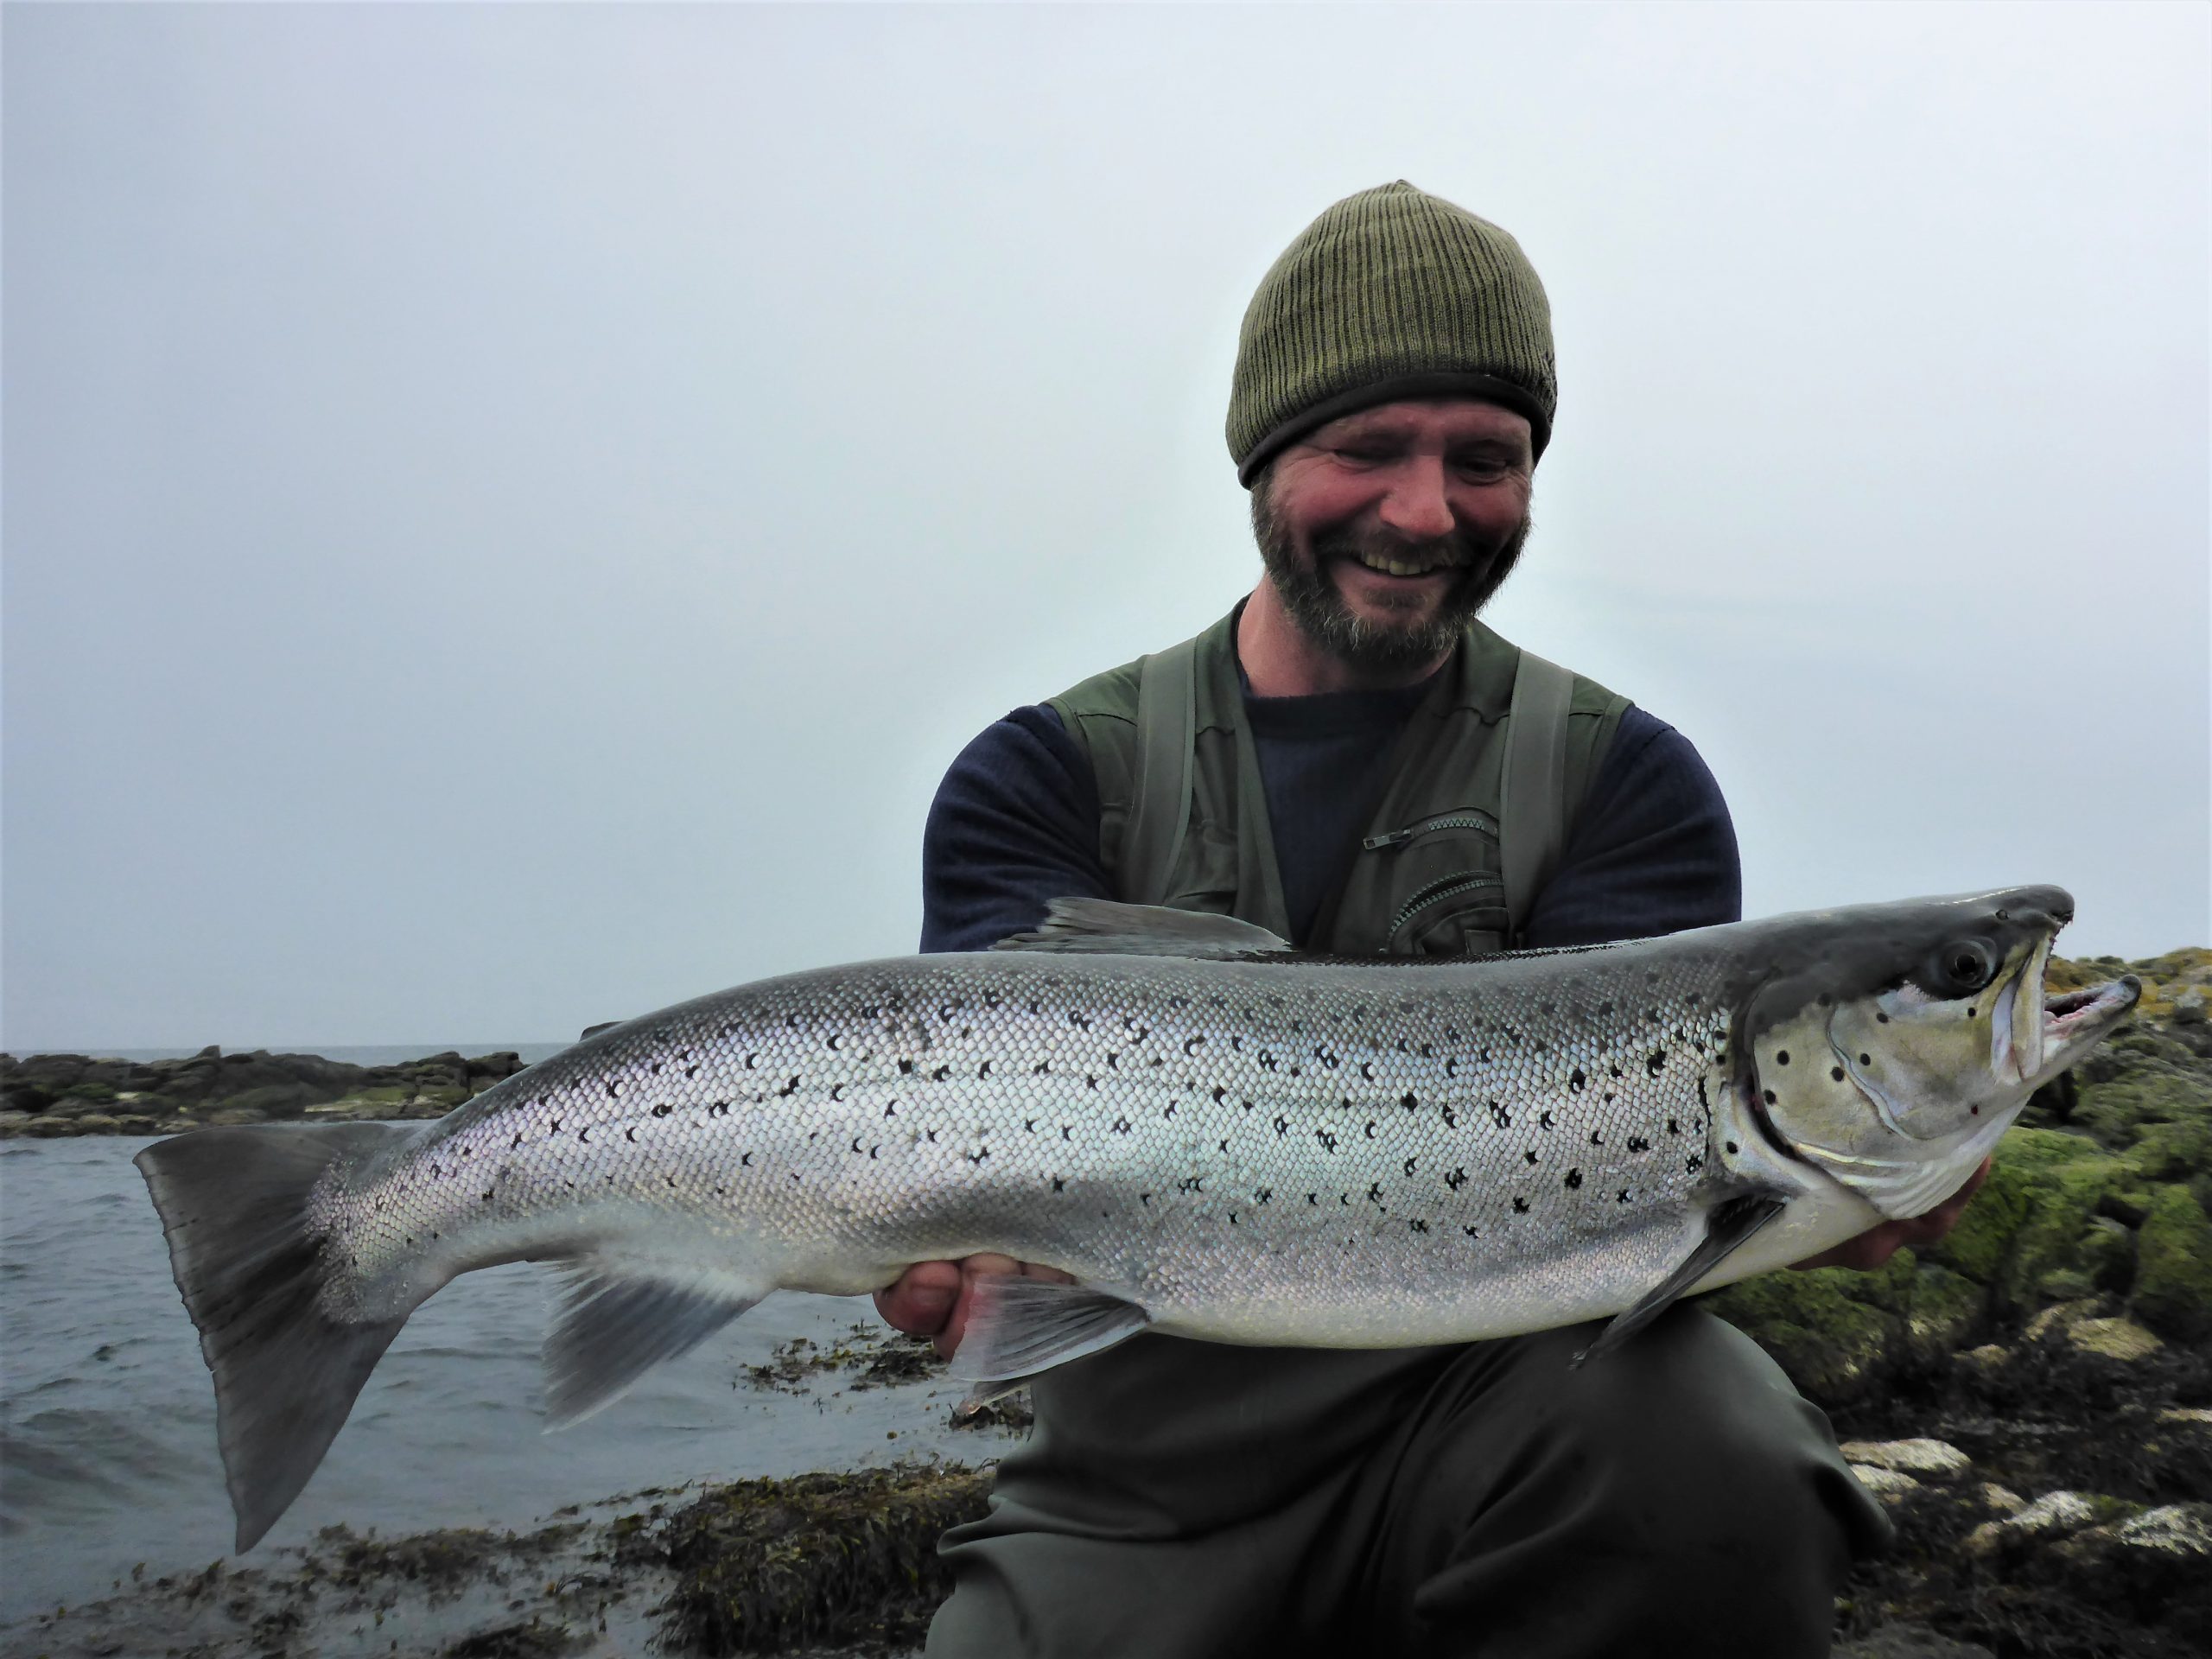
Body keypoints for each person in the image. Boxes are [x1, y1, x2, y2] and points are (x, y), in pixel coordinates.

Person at [875, 181, 1980, 1657]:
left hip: (1512, 1428)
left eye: (1486, 459)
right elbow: (971, 1205)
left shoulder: (1622, 783)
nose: (1425, 511)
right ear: (1264, 460)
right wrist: (948, 1253)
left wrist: (1815, 1203)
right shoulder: (1044, 775)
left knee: (1717, 1450)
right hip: (1136, 1491)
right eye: (1366, 449)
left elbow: (1651, 1224)